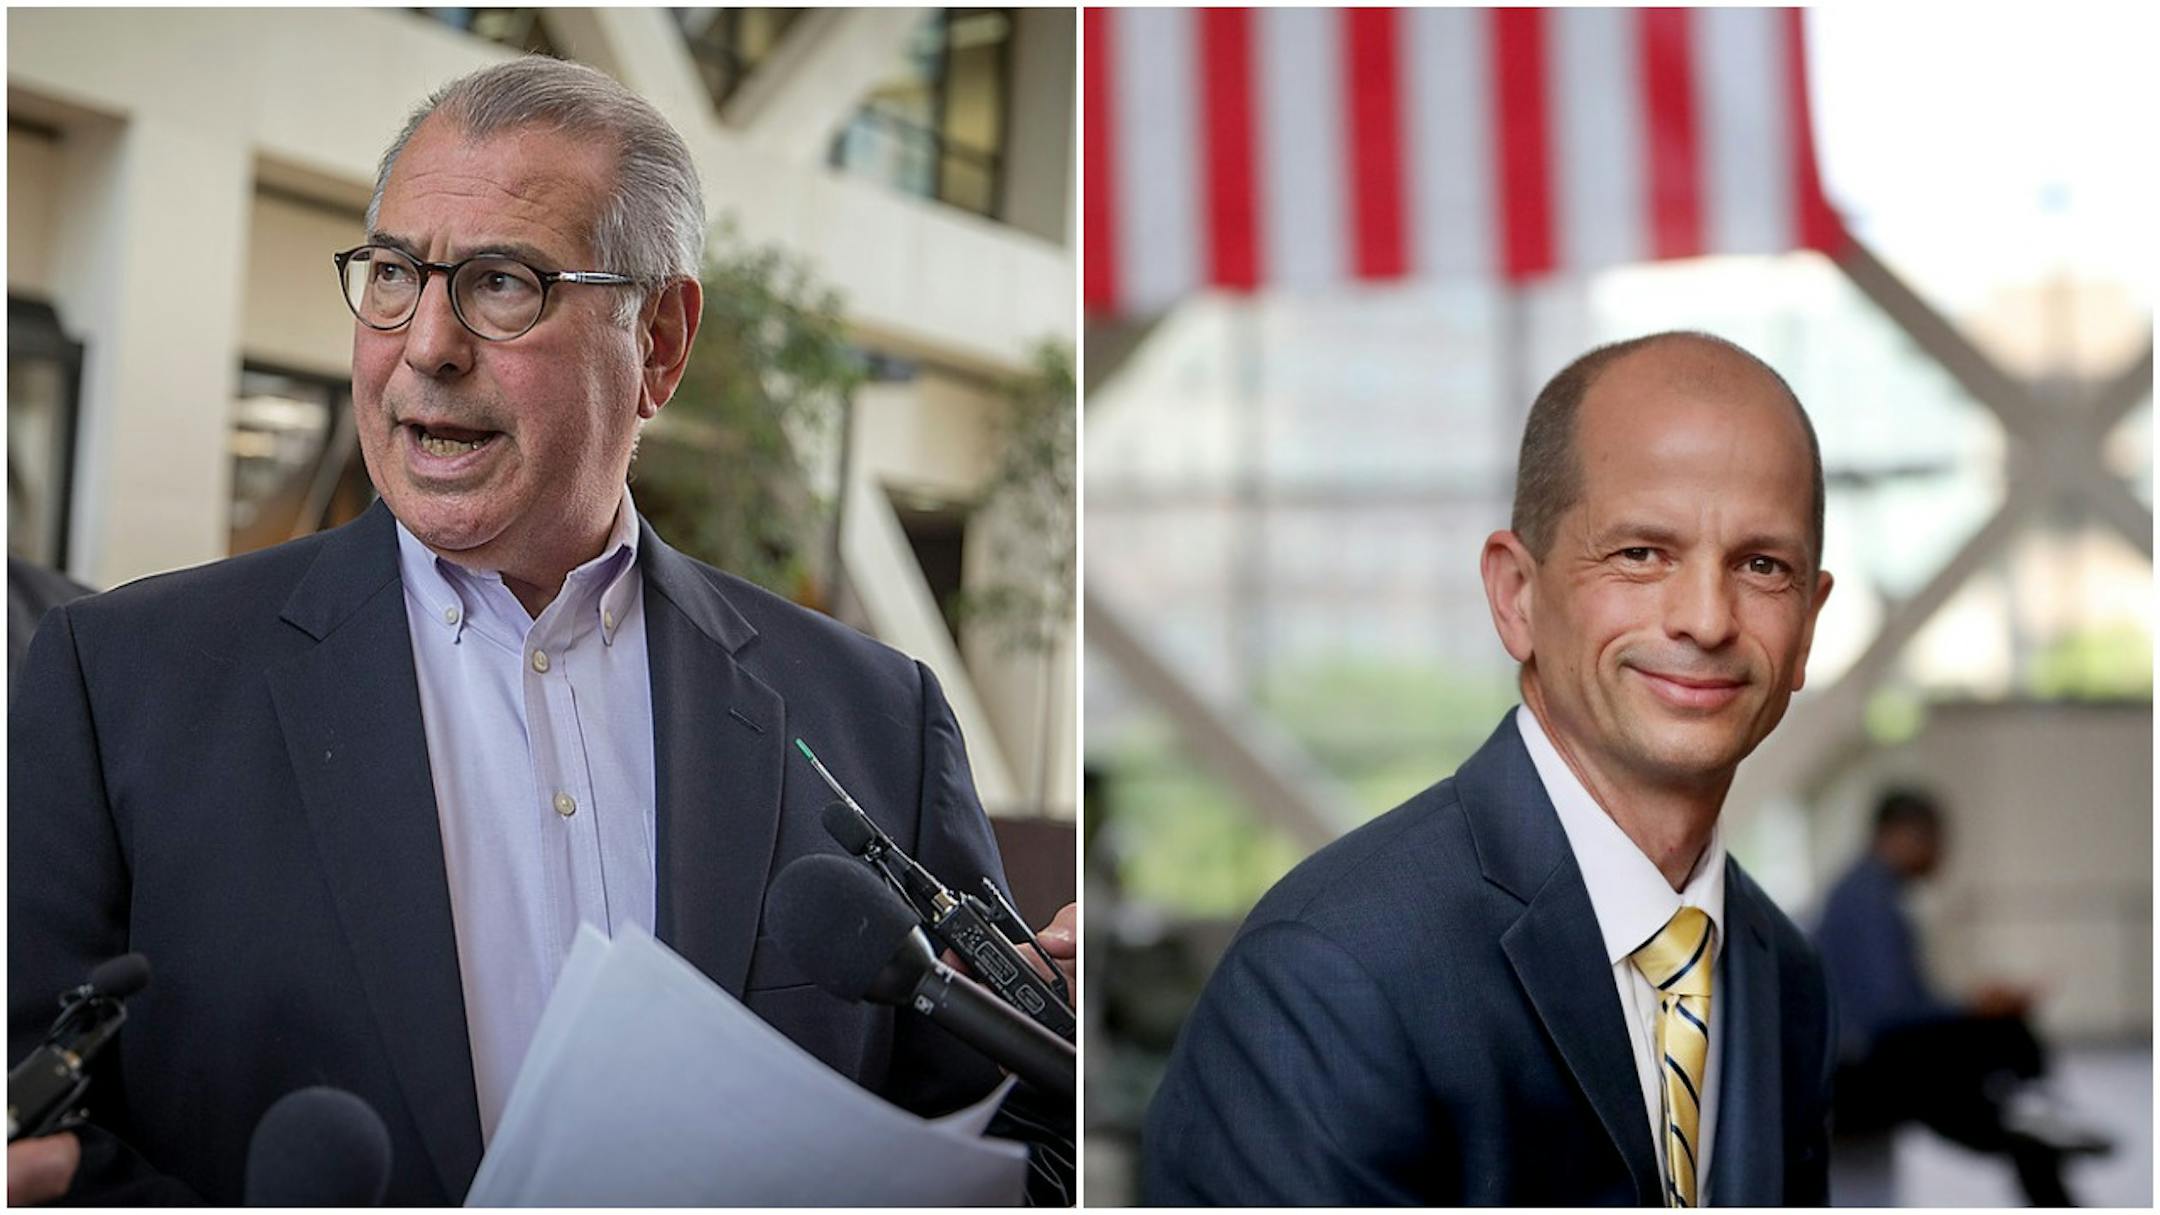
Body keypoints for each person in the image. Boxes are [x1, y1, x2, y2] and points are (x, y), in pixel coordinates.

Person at [9, 56, 1072, 1205]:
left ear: (659, 341)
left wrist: (1069, 1036)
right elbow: (47, 1139)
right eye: (394, 275)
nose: (426, 345)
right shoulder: (117, 687)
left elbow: (1009, 1145)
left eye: (502, 283)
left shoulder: (876, 717)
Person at [1144, 332, 1839, 1204]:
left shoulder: (1785, 975)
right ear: (1516, 595)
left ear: (1808, 624)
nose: (1705, 618)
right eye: (1640, 553)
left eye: (1762, 565)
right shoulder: (1332, 976)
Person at [1814, 788, 2110, 1205]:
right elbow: (1886, 1012)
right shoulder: (1866, 897)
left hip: (1871, 1060)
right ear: (1902, 835)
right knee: (2003, 1034)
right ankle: (2033, 1107)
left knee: (2024, 1134)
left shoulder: (1870, 892)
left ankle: (2032, 1115)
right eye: (1936, 841)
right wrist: (1971, 1008)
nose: (1941, 855)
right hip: (1861, 1072)